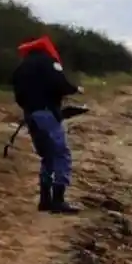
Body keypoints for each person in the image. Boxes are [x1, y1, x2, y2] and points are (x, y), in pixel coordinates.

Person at [11, 35, 84, 213]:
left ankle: (45, 200)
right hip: (46, 114)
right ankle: (58, 200)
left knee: (47, 155)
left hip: (30, 114)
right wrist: (75, 89)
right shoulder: (49, 62)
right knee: (61, 154)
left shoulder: (21, 67)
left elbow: (18, 94)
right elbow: (59, 83)